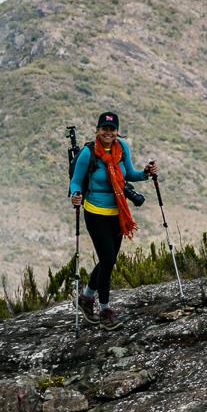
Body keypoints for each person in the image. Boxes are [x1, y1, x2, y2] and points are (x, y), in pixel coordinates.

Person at [69, 111, 158, 330]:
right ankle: (105, 310)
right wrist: (76, 195)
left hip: (117, 213)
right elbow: (75, 181)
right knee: (108, 261)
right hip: (95, 213)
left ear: (116, 131)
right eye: (104, 129)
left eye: (112, 129)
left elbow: (129, 174)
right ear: (98, 130)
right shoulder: (88, 153)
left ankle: (87, 297)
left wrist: (145, 173)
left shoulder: (122, 149)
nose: (108, 132)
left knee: (107, 259)